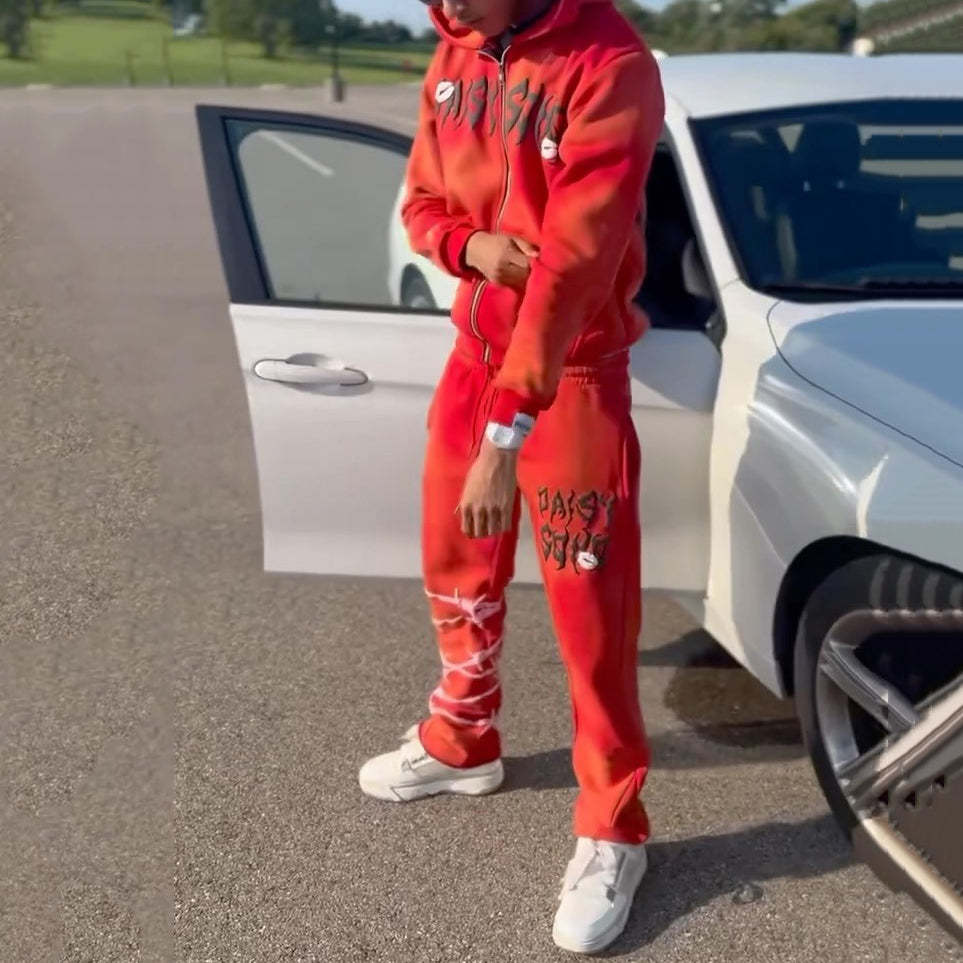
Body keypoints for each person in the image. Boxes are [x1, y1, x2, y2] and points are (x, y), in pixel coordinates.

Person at [358, 0, 665, 953]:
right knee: (453, 562)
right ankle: (463, 740)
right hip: (473, 353)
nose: (446, 4)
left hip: (571, 372)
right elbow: (420, 204)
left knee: (590, 613)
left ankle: (613, 828)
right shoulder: (454, 50)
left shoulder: (609, 65)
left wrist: (506, 431)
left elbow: (576, 261)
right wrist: (471, 248)